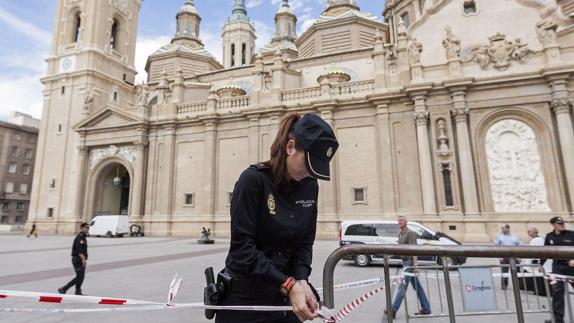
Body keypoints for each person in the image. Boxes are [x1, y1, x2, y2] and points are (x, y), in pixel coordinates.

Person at [215, 113, 338, 323]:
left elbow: (304, 242)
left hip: (284, 299)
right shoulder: (253, 181)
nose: (311, 172)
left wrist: (301, 279)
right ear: (290, 147)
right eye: (309, 163)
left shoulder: (309, 186)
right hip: (245, 301)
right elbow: (242, 249)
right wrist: (289, 284)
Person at [384, 215, 431, 319]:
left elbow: (414, 249)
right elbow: (399, 248)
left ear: (406, 222)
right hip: (405, 262)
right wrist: (390, 255)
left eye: (401, 220)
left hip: (409, 263)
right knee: (417, 287)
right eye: (398, 220)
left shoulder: (411, 233)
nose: (399, 221)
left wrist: (415, 264)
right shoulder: (400, 234)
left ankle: (393, 309)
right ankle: (426, 308)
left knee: (402, 286)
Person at [543, 217, 574, 323]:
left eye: (562, 223)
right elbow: (545, 252)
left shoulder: (571, 234)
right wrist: (540, 264)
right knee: (557, 294)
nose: (562, 225)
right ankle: (558, 319)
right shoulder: (549, 237)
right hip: (558, 267)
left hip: (572, 267)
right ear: (553, 225)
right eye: (559, 223)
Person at [58, 222, 89, 295]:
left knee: (81, 277)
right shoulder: (80, 237)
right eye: (86, 227)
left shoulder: (83, 237)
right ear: (81, 228)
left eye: (88, 227)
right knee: (79, 277)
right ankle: (64, 288)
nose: (88, 229)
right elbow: (79, 250)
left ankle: (78, 291)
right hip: (78, 259)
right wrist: (83, 259)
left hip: (80, 259)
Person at [494, 224, 520, 289]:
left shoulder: (514, 236)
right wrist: (499, 256)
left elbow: (519, 245)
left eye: (503, 228)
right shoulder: (499, 236)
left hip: (514, 255)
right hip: (504, 256)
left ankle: (518, 285)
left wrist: (519, 256)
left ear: (508, 228)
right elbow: (496, 246)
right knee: (504, 271)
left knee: (516, 271)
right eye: (502, 228)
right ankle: (504, 285)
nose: (502, 229)